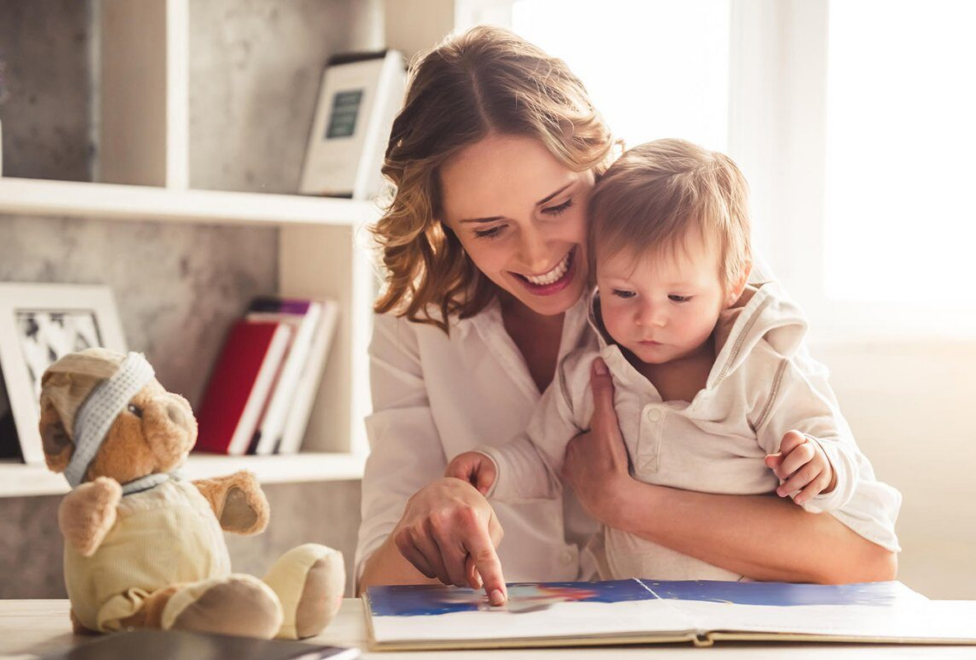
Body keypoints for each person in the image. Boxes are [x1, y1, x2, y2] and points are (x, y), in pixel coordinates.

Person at [356, 26, 898, 607]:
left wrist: (626, 503)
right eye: (490, 229)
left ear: (596, 163)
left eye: (557, 205)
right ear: (442, 222)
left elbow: (866, 555)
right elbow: (377, 585)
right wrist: (426, 517)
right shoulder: (413, 321)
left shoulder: (693, 266)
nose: (537, 257)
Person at [445, 138, 901, 582]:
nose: (649, 318)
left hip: (761, 610)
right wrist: (495, 468)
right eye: (623, 293)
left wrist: (820, 464)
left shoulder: (766, 371)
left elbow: (834, 451)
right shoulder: (589, 375)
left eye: (679, 297)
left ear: (733, 281)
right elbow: (541, 457)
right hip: (639, 612)